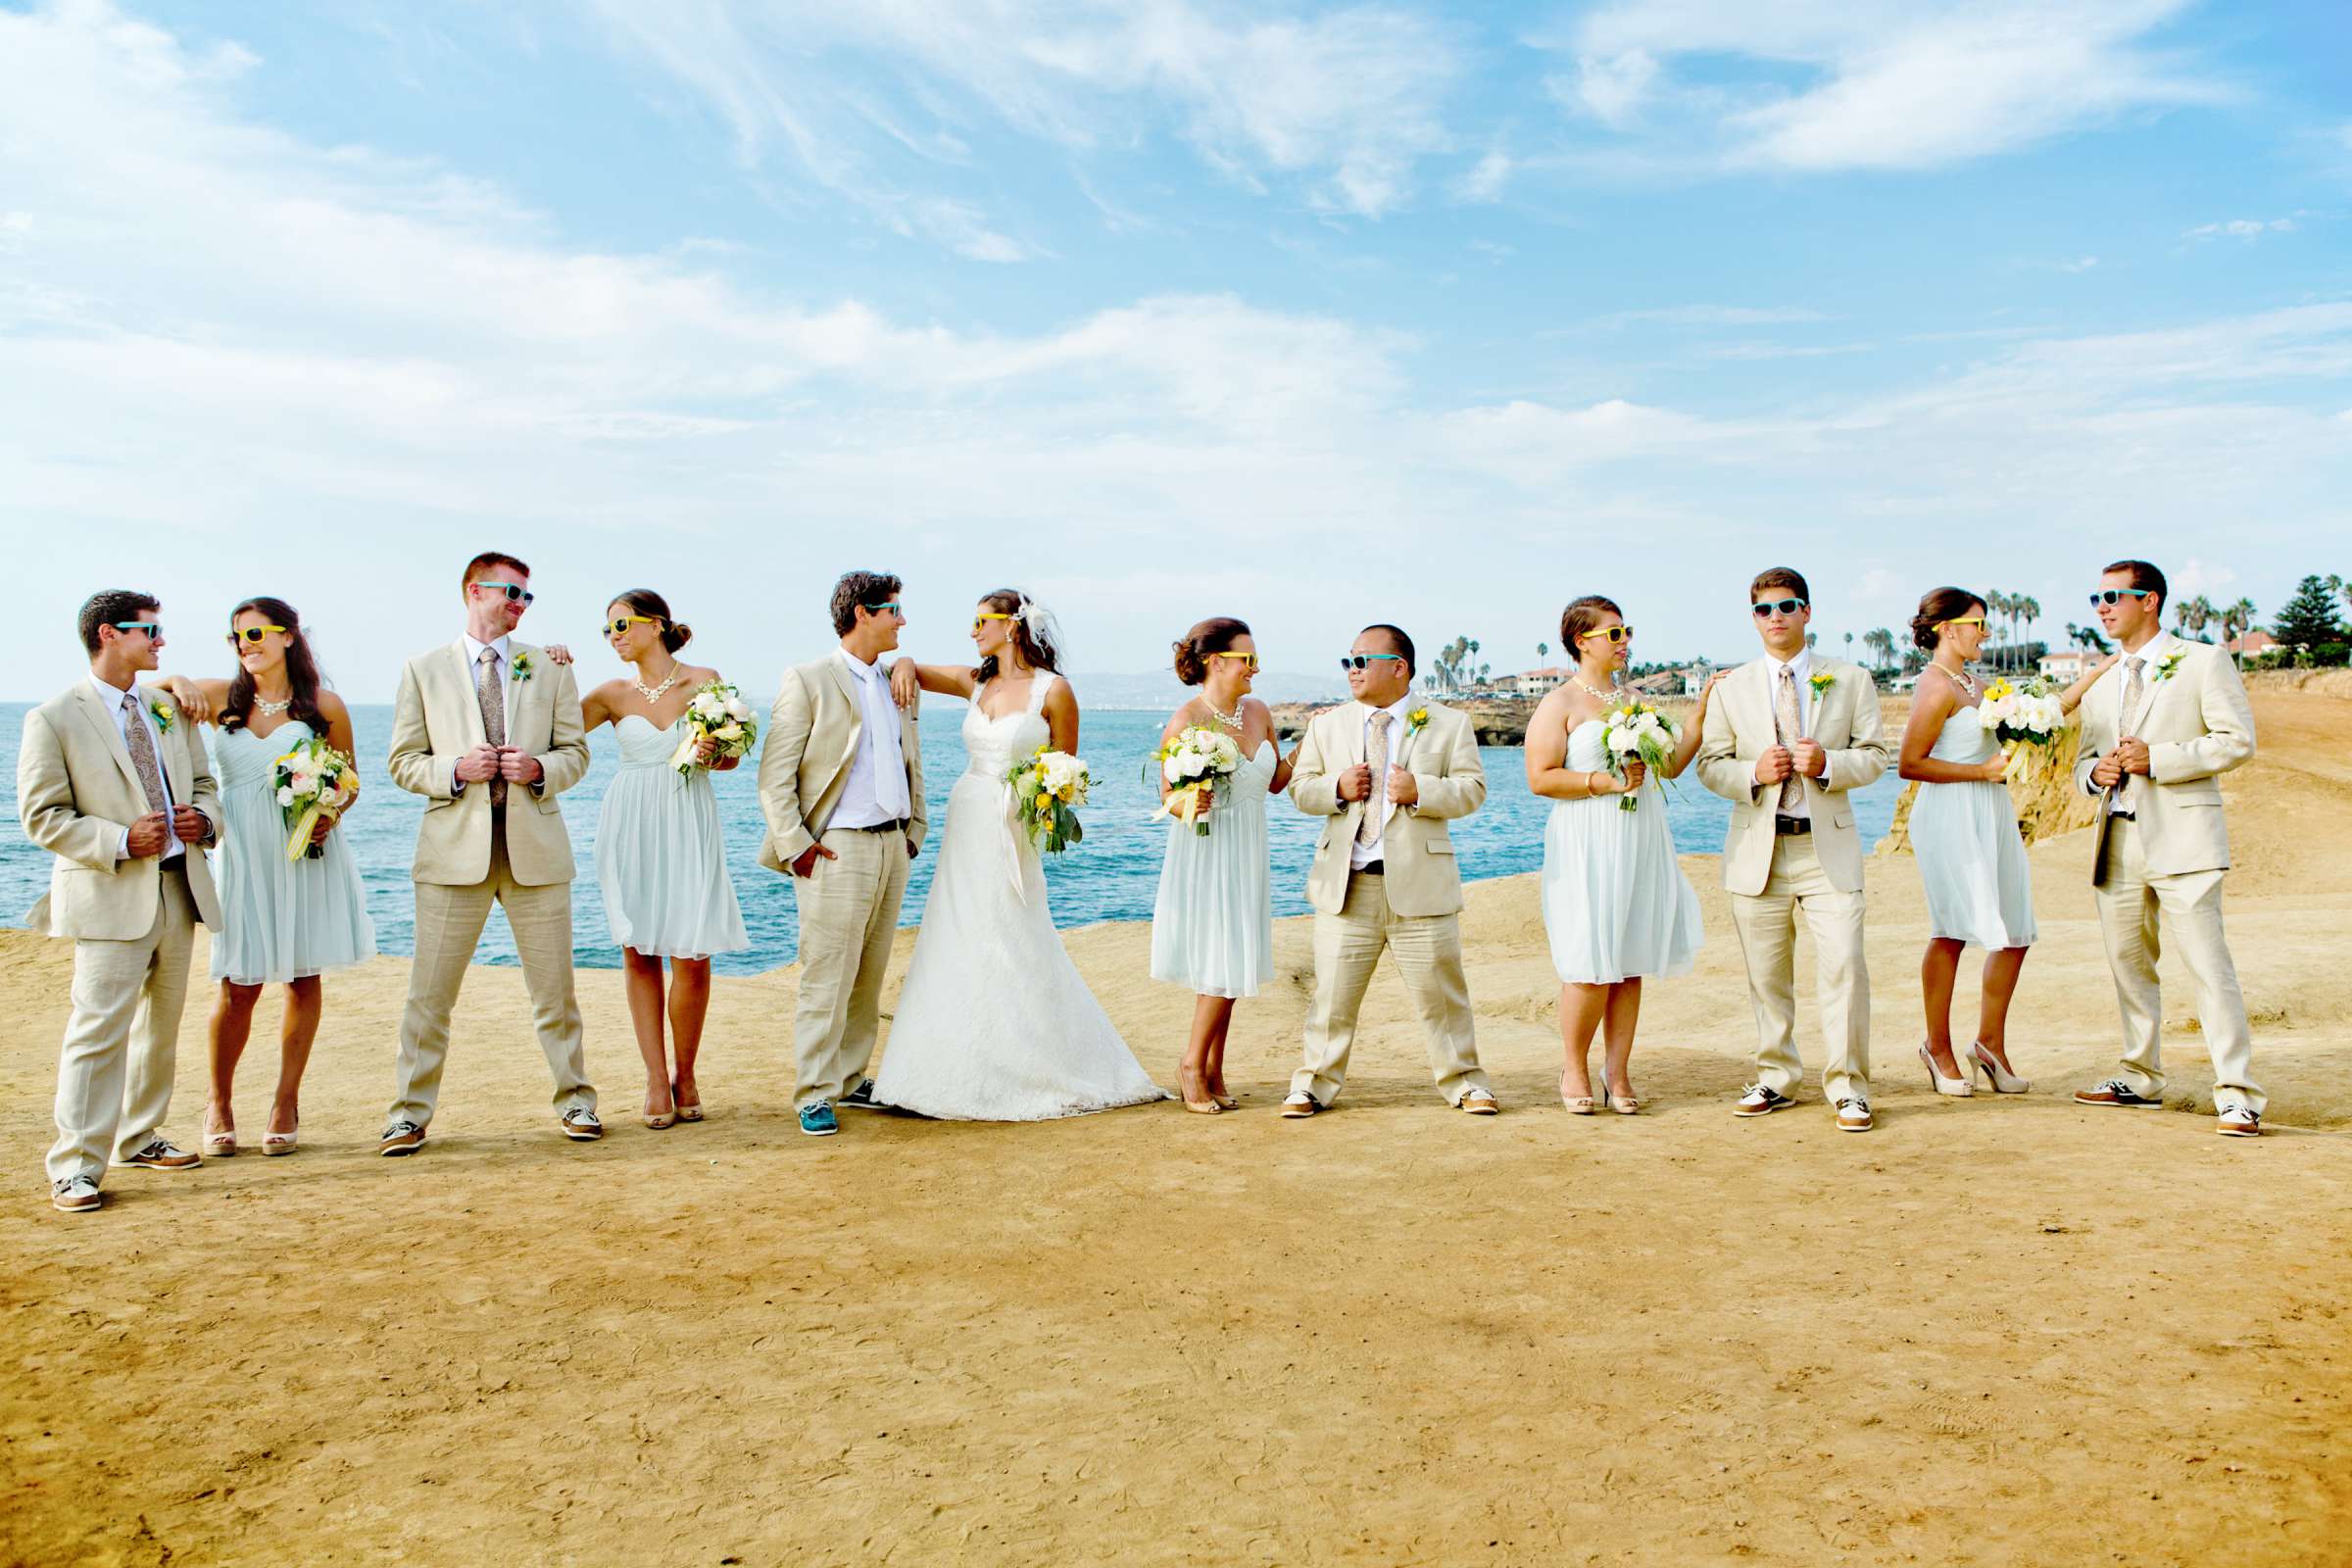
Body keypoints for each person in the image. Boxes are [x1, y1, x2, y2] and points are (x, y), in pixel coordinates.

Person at [877, 589, 1166, 1120]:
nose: (972, 632)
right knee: (957, 930)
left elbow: (1066, 772)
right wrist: (904, 662)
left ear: (1012, 626)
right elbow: (910, 668)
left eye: (980, 621)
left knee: (1012, 930)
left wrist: (1041, 801)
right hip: (967, 814)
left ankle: (1029, 1060)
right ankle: (951, 1059)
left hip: (1013, 824)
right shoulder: (975, 680)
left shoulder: (1054, 691)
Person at [379, 552, 597, 1155]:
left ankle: (577, 1102)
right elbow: (401, 761)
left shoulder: (550, 668)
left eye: (528, 597)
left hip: (537, 853)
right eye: (512, 593)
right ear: (475, 590)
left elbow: (576, 754)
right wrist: (454, 769)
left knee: (556, 993)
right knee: (429, 996)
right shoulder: (422, 669)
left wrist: (538, 769)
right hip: (453, 855)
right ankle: (408, 1115)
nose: (520, 606)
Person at [19, 592, 220, 1211]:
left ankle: (139, 1136)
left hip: (178, 892)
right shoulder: (53, 718)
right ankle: (75, 1165)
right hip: (108, 893)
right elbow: (41, 816)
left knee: (160, 1030)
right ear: (108, 634)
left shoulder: (169, 709)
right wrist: (119, 839)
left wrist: (203, 822)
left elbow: (207, 785)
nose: (160, 642)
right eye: (149, 631)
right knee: (98, 1031)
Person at [151, 598, 375, 1156]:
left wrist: (328, 814)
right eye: (236, 638)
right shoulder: (221, 697)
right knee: (238, 986)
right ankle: (219, 1101)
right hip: (243, 857)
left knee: (303, 979)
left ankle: (285, 1100)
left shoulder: (324, 705)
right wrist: (177, 678)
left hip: (304, 857)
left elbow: (348, 781)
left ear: (288, 636)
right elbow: (146, 694)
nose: (245, 645)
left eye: (254, 633)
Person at [2069, 560, 2263, 1136]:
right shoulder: (2102, 678)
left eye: (2112, 597)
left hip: (2185, 838)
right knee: (2129, 966)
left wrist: (2163, 759)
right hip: (2118, 839)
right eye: (2096, 598)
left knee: (2209, 967)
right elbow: (2084, 759)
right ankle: (2140, 1076)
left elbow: (2237, 741)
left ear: (2149, 600)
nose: (2101, 607)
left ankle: (2237, 1093)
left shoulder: (2204, 661)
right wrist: (2094, 774)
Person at [1696, 568, 1891, 1132]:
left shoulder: (1851, 679)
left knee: (1846, 968)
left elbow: (1877, 754)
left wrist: (1829, 763)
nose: (1775, 617)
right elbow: (1710, 765)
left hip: (1827, 847)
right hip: (1758, 851)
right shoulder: (1730, 688)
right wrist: (1751, 773)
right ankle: (1776, 1077)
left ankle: (1850, 1087)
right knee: (1767, 975)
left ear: (1808, 612)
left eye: (1787, 606)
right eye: (1764, 609)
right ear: (1753, 618)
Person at [1280, 624, 1496, 1117]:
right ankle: (1312, 1084)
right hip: (1348, 885)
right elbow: (1300, 790)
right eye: (1348, 661)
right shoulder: (1327, 724)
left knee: (1442, 996)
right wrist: (1336, 786)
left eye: (1362, 660)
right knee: (1331, 999)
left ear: (1398, 667)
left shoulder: (1449, 723)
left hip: (1421, 885)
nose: (1352, 670)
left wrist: (1420, 789)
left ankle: (1465, 1081)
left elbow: (1472, 789)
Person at [1524, 597, 1721, 1114]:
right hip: (1587, 837)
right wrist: (1602, 781)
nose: (1625, 641)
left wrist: (1698, 715)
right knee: (1590, 960)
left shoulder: (1637, 699)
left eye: (1626, 631)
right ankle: (1573, 1065)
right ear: (1580, 641)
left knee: (1629, 958)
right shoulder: (1560, 702)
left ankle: (1619, 1071)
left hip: (1640, 834)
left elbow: (1672, 766)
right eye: (1613, 634)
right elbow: (1540, 777)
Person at [755, 570, 927, 1137]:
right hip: (835, 850)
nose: (902, 619)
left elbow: (909, 759)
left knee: (869, 974)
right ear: (862, 614)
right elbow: (775, 774)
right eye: (893, 609)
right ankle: (814, 1092)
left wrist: (915, 828)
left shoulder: (897, 679)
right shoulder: (807, 679)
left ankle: (851, 1079)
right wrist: (796, 845)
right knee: (827, 976)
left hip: (892, 844)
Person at [581, 590, 749, 1129]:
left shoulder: (703, 680)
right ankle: (655, 1078)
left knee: (693, 952)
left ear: (656, 625)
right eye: (607, 630)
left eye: (623, 624)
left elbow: (731, 759)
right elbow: (548, 731)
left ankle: (686, 1072)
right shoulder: (609, 694)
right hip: (630, 821)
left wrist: (713, 752)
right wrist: (553, 667)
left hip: (686, 817)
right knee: (638, 949)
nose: (615, 636)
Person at [1148, 617, 1296, 1114]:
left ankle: (1214, 1067)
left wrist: (1310, 748)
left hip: (1249, 845)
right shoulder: (1187, 719)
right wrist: (1193, 799)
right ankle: (1191, 1065)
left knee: (1233, 961)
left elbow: (1274, 782)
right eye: (1248, 659)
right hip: (1210, 848)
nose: (1257, 668)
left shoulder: (1258, 711)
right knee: (1221, 957)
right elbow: (1166, 797)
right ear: (1217, 662)